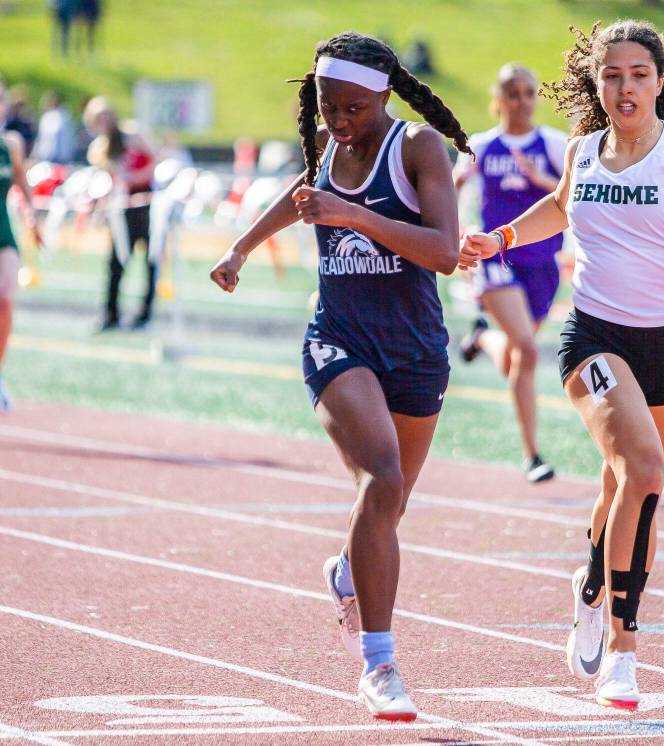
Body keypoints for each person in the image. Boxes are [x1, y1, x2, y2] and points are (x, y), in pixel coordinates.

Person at [459, 20, 664, 709]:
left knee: (624, 487)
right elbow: (559, 207)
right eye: (612, 76)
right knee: (646, 471)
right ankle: (622, 652)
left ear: (660, 83)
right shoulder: (582, 151)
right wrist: (502, 238)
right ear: (596, 83)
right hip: (595, 338)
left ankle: (590, 583)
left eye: (638, 75)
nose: (625, 88)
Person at [210, 31, 469, 721]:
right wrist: (240, 248)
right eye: (328, 106)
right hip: (338, 342)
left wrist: (354, 214)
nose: (339, 120)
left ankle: (350, 570)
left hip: (415, 350)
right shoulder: (327, 145)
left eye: (353, 108)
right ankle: (380, 664)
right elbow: (300, 195)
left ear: (383, 97)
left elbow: (444, 252)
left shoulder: (417, 149)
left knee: (390, 502)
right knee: (381, 479)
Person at [454, 64, 567, 483]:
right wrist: (458, 228)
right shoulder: (482, 146)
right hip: (495, 260)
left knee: (517, 358)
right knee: (528, 350)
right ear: (498, 100)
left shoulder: (554, 144)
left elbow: (575, 197)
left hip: (543, 263)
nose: (522, 101)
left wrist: (541, 178)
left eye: (529, 93)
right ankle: (532, 454)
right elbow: (449, 190)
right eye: (513, 93)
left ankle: (482, 337)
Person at [83, 97, 157, 331]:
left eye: (106, 115)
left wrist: (137, 177)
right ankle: (111, 313)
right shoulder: (100, 148)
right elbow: (106, 180)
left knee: (151, 260)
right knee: (116, 260)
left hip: (146, 203)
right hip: (121, 209)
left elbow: (155, 160)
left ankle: (145, 315)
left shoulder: (132, 134)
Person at [0, 130, 45, 411]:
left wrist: (31, 217)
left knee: (5, 301)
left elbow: (21, 180)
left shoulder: (10, 144)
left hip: (3, 233)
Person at [31, 91, 77, 165]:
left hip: (52, 157)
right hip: (63, 156)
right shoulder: (66, 116)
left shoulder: (51, 116)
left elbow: (51, 137)